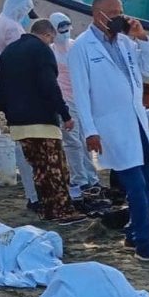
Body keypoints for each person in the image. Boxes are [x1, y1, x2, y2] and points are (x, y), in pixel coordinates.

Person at [68, 0, 149, 262]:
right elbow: (81, 94)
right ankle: (144, 243)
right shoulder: (82, 48)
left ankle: (132, 234)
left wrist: (142, 38)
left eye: (121, 10)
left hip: (136, 122)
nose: (120, 16)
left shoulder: (125, 42)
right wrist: (90, 131)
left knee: (148, 182)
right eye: (114, 12)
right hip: (110, 126)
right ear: (99, 15)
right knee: (134, 184)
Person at [0, 18, 82, 224]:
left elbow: (0, 89)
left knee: (39, 169)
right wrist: (65, 114)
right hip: (42, 120)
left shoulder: (9, 52)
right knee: (55, 167)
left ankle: (46, 209)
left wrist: (9, 114)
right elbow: (50, 85)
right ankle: (61, 210)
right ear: (48, 35)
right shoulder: (42, 50)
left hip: (18, 122)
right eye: (51, 39)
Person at [0, 0, 38, 209]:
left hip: (1, 87)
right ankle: (35, 194)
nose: (26, 17)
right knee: (31, 142)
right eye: (26, 12)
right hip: (19, 89)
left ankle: (30, 193)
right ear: (19, 9)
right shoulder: (13, 28)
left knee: (19, 139)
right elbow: (22, 61)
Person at [49, 11, 101, 199]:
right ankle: (80, 178)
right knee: (72, 141)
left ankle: (91, 176)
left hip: (82, 98)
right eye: (60, 28)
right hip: (65, 100)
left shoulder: (76, 46)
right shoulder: (51, 51)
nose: (65, 31)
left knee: (86, 138)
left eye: (67, 26)